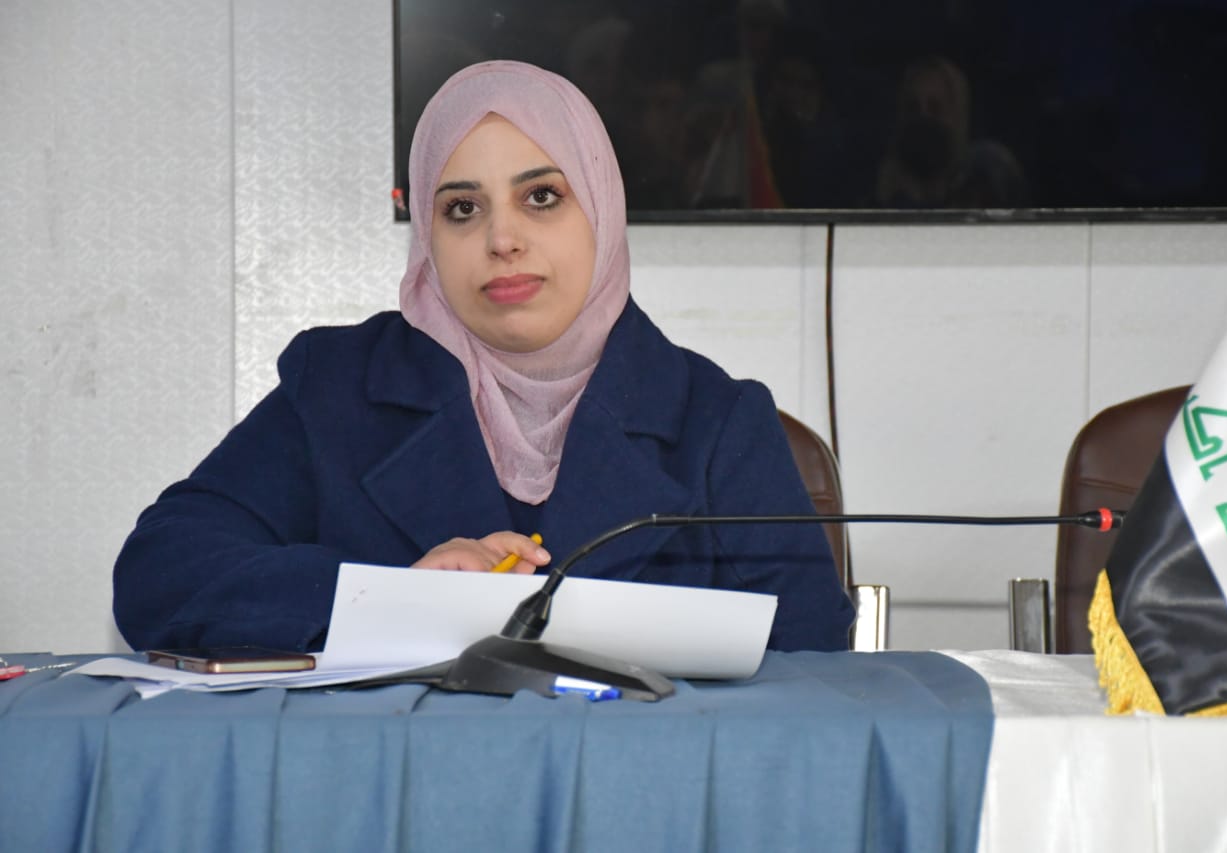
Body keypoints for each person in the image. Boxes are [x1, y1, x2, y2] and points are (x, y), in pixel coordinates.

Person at [112, 60, 854, 656]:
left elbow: (813, 661)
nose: (502, 240)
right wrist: (393, 597)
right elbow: (159, 571)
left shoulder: (715, 420)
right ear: (427, 238)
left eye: (541, 197)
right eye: (462, 208)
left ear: (601, 208)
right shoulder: (336, 388)